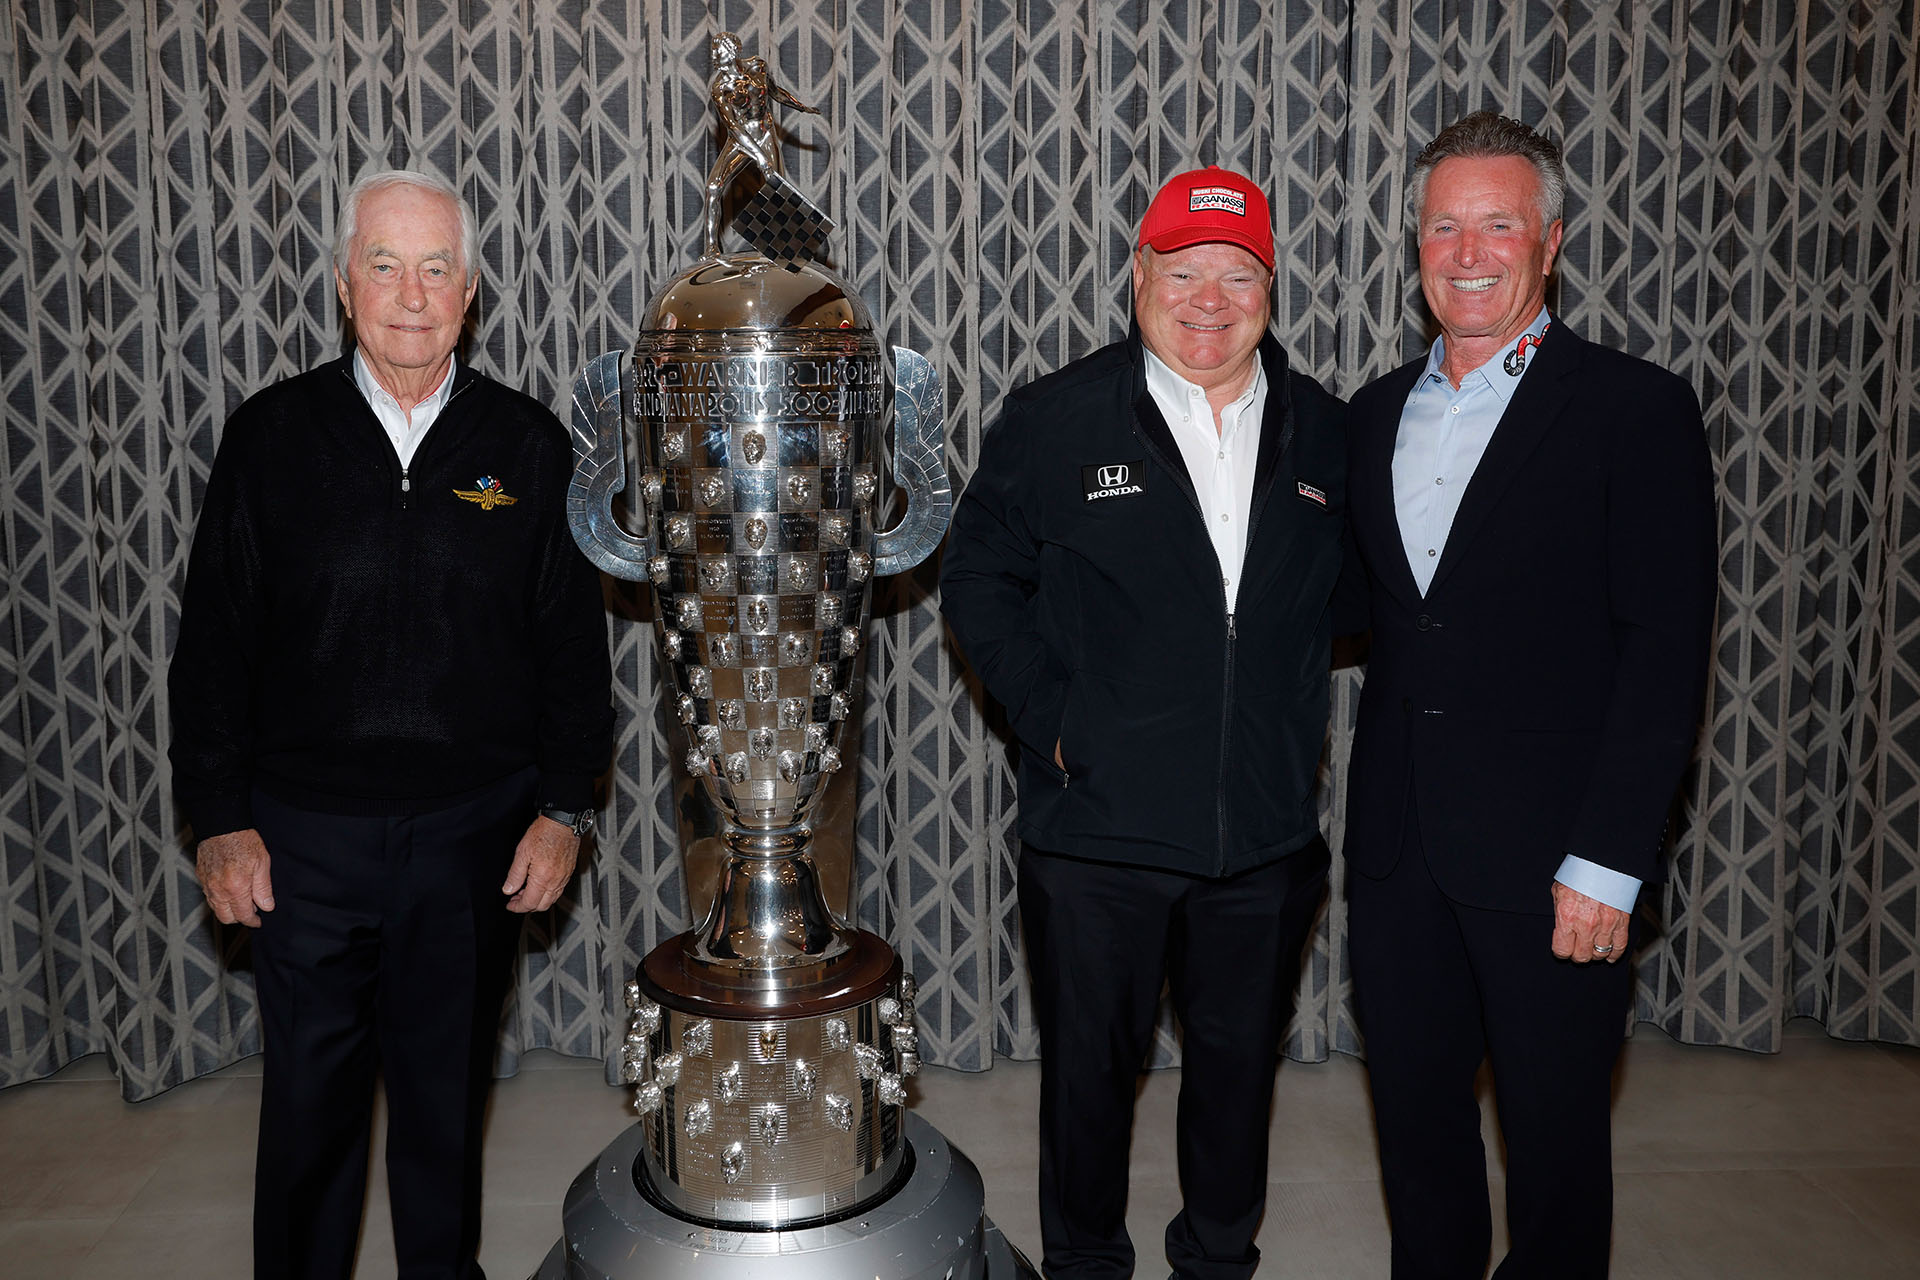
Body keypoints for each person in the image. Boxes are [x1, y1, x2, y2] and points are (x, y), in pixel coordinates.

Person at [169, 168, 614, 1279]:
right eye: (384, 265)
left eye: (434, 270)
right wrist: (217, 817)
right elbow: (212, 645)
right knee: (308, 1115)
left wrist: (564, 809)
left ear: (470, 291)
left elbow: (571, 651)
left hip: (471, 838)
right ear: (342, 283)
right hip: (302, 843)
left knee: (442, 1106)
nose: (409, 296)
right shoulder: (270, 437)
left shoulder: (527, 444)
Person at [941, 166, 1348, 1280]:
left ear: (1270, 285)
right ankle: (1083, 1262)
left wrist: (1284, 712)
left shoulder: (1328, 431)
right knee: (1088, 1078)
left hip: (1260, 838)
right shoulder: (1054, 416)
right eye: (1183, 270)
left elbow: (1355, 602)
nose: (1208, 298)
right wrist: (1053, 720)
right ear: (1138, 275)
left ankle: (1218, 1257)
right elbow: (978, 575)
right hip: (1096, 836)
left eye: (1237, 273)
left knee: (1236, 1078)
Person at [1341, 112, 1717, 1279]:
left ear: (1549, 241)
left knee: (1555, 1155)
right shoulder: (1369, 415)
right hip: (1400, 851)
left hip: (1559, 866)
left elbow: (1665, 650)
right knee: (1419, 1135)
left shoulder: (1634, 409)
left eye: (1497, 223)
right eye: (1443, 225)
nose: (1466, 250)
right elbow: (1367, 615)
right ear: (1415, 244)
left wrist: (1609, 860)